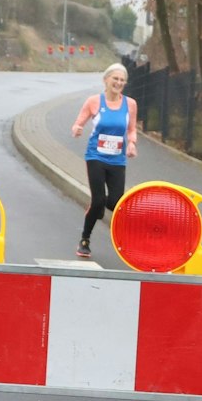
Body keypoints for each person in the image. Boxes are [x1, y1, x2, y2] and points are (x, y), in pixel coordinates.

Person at [72, 62, 139, 258]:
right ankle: (85, 240)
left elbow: (132, 129)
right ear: (106, 80)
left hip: (117, 160)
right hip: (96, 156)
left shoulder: (130, 104)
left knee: (117, 202)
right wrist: (77, 129)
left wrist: (132, 144)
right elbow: (79, 122)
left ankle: (98, 210)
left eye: (122, 80)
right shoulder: (94, 101)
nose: (118, 83)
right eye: (115, 79)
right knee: (98, 199)